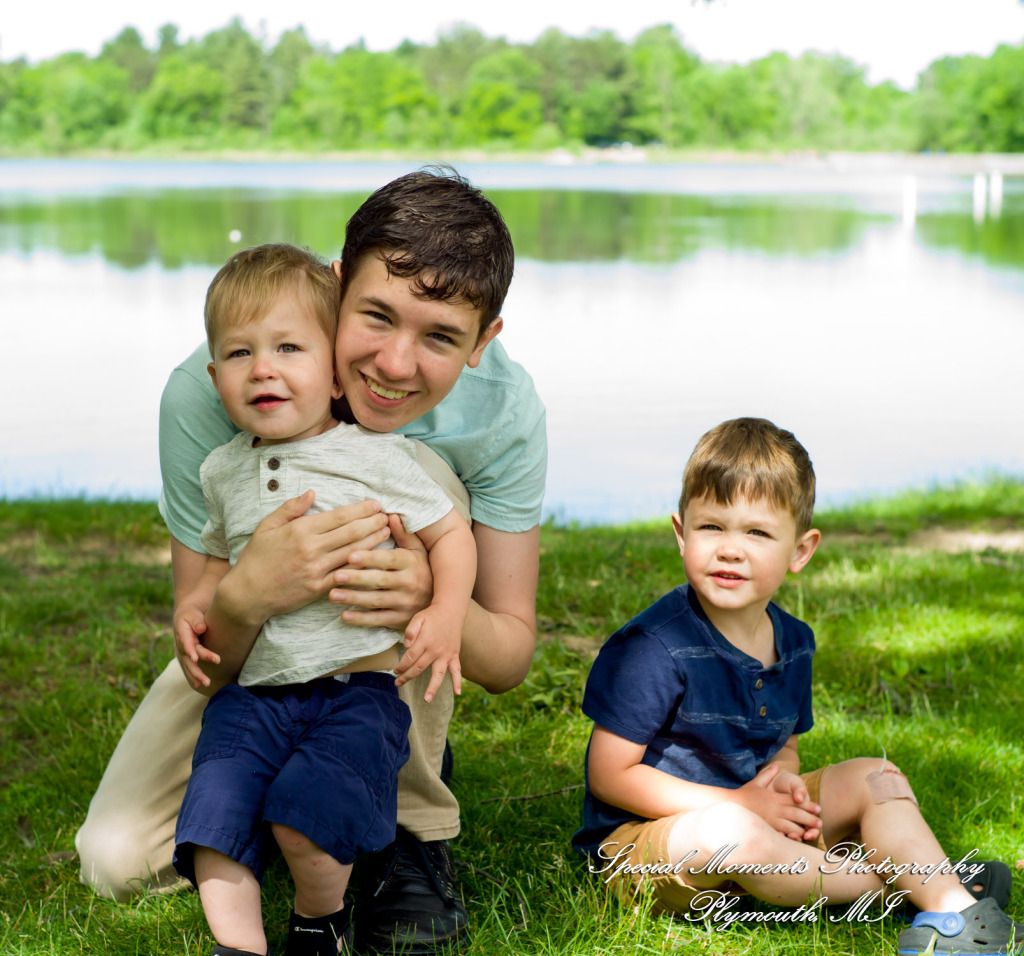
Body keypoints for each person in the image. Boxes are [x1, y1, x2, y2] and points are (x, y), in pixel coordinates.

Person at [76, 168, 547, 955]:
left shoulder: (506, 409)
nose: (396, 364)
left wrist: (430, 593)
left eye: (438, 337)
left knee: (417, 488)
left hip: (376, 656)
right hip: (253, 657)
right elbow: (203, 643)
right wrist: (248, 589)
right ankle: (294, 806)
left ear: (483, 341)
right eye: (375, 316)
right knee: (116, 860)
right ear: (337, 282)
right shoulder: (225, 384)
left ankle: (409, 828)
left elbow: (507, 655)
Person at [572, 418, 1023, 956]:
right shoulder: (654, 647)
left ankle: (951, 906)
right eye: (712, 527)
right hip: (654, 844)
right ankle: (908, 889)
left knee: (874, 777)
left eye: (757, 533)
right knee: (730, 833)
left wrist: (779, 785)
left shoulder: (794, 641)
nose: (730, 550)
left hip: (753, 817)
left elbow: (782, 747)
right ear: (681, 533)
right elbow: (609, 776)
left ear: (800, 551)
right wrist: (741, 803)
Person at [172, 242, 476, 956]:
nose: (264, 368)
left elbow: (452, 535)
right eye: (240, 354)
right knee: (213, 814)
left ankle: (319, 920)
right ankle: (238, 945)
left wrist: (446, 611)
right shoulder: (221, 470)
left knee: (309, 817)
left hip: (354, 692)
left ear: (334, 369)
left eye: (287, 347)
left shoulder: (374, 454)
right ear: (216, 376)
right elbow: (217, 562)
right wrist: (196, 607)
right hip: (252, 693)